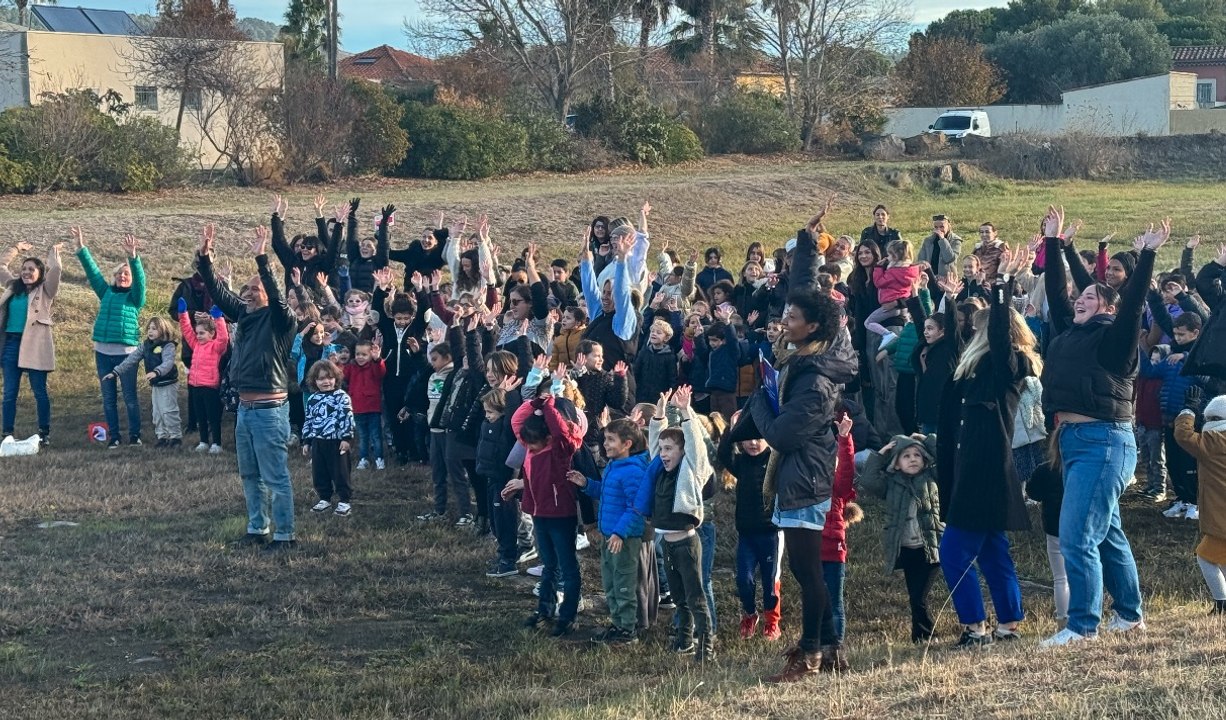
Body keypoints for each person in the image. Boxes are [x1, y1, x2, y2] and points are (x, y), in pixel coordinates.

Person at [729, 211, 857, 681]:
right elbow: (806, 291)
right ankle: (829, 650)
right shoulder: (818, 345)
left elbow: (781, 435)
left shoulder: (816, 380)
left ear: (812, 328)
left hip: (805, 478)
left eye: (792, 317)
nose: (785, 318)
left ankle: (813, 652)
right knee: (810, 572)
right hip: (798, 474)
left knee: (809, 572)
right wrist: (807, 243)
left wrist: (759, 401)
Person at [1038, 207, 1167, 647]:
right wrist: (1052, 243)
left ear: (1108, 306)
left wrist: (1146, 257)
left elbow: (1133, 309)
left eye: (1091, 297)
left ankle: (1082, 626)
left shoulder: (1115, 339)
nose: (1080, 299)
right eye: (1082, 295)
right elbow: (1057, 293)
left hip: (1105, 442)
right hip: (1072, 440)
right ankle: (1129, 616)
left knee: (1076, 537)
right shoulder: (1067, 334)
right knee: (1108, 534)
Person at [934, 246, 1040, 649]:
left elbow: (995, 333)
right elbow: (951, 344)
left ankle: (974, 627)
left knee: (954, 552)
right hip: (970, 471)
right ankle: (1009, 623)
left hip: (986, 472)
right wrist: (947, 300)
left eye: (983, 326)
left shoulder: (1007, 366)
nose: (975, 330)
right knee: (994, 551)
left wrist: (1001, 286)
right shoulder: (972, 368)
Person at [197, 223, 298, 551]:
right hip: (245, 409)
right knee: (250, 475)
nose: (248, 293)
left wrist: (261, 260)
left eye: (255, 289)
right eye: (246, 289)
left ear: (268, 294)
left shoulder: (281, 320)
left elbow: (276, 293)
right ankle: (257, 528)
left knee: (275, 476)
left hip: (270, 411)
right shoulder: (245, 315)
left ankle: (285, 535)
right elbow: (219, 292)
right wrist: (205, 260)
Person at [646, 386, 716, 662]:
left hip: (687, 544)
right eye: (662, 449)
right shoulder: (660, 470)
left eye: (669, 449)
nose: (663, 453)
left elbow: (697, 446)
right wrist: (660, 416)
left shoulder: (691, 471)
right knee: (678, 597)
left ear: (682, 451)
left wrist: (686, 413)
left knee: (696, 597)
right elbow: (654, 442)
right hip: (667, 544)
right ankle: (684, 639)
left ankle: (705, 647)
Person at [569, 418, 651, 645]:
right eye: (605, 439)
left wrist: (620, 533)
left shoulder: (633, 471)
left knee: (623, 582)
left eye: (610, 440)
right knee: (611, 581)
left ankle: (627, 630)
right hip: (610, 536)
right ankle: (617, 623)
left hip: (622, 539)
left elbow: (636, 506)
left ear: (627, 443)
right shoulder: (614, 466)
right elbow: (608, 495)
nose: (605, 444)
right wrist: (586, 483)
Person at [858, 432, 944, 643]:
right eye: (906, 456)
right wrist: (880, 454)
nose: (913, 459)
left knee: (919, 596)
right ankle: (922, 635)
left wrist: (928, 440)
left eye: (917, 455)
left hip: (930, 546)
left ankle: (923, 633)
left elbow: (946, 462)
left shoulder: (932, 478)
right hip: (905, 548)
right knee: (914, 595)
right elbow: (868, 481)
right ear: (896, 464)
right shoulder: (891, 484)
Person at [76, 229, 146, 447]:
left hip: (126, 356)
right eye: (119, 274)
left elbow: (141, 281)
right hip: (103, 354)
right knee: (108, 399)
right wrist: (81, 248)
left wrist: (133, 258)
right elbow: (93, 272)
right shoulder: (105, 292)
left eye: (126, 275)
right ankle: (114, 436)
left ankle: (135, 436)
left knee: (130, 398)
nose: (122, 276)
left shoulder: (135, 298)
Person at [0, 240, 62, 444]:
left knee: (39, 392)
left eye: (32, 269)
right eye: (24, 269)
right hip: (11, 345)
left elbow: (56, 270)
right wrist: (16, 249)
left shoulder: (45, 291)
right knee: (9, 393)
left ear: (39, 273)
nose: (26, 272)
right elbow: (1, 265)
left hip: (35, 346)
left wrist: (53, 254)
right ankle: (7, 434)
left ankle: (44, 433)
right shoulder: (12, 286)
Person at [1174, 392, 1226, 615]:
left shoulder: (1215, 441)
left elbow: (1183, 435)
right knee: (1221, 558)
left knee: (1204, 556)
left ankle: (1221, 602)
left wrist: (1188, 410)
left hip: (1220, 513)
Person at [107, 316, 182, 449]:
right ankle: (162, 437)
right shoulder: (146, 345)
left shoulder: (168, 346)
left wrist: (157, 372)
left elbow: (168, 363)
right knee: (157, 412)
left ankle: (175, 437)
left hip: (167, 383)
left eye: (154, 328)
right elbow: (132, 359)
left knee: (168, 411)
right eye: (149, 328)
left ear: (163, 330)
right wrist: (116, 372)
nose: (150, 331)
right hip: (156, 384)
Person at [302, 360, 356, 517]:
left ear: (336, 379)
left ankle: (344, 500)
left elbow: (347, 418)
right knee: (319, 472)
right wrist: (307, 441)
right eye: (321, 379)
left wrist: (346, 438)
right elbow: (309, 420)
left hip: (337, 442)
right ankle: (324, 498)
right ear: (314, 381)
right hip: (318, 442)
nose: (326, 382)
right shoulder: (313, 399)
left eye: (329, 378)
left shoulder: (341, 397)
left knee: (340, 472)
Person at [177, 299, 229, 453]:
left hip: (210, 387)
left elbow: (224, 338)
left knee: (213, 417)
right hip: (195, 385)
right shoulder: (196, 345)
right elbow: (187, 331)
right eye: (198, 333)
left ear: (211, 334)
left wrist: (219, 319)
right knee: (200, 416)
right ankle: (204, 441)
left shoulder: (216, 347)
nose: (198, 336)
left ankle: (217, 443)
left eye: (202, 333)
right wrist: (183, 314)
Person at [343, 339, 387, 471]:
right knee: (362, 436)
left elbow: (381, 373)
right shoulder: (351, 367)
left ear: (370, 354)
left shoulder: (375, 365)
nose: (360, 357)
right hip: (357, 408)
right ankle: (363, 458)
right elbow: (342, 376)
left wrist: (377, 359)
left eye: (364, 354)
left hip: (373, 407)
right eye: (357, 354)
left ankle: (379, 458)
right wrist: (339, 362)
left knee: (376, 435)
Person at [917, 215, 963, 297]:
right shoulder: (928, 241)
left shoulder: (956, 240)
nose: (939, 230)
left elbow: (949, 258)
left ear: (948, 226)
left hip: (947, 282)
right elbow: (921, 260)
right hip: (930, 279)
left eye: (942, 227)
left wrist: (942, 240)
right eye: (936, 227)